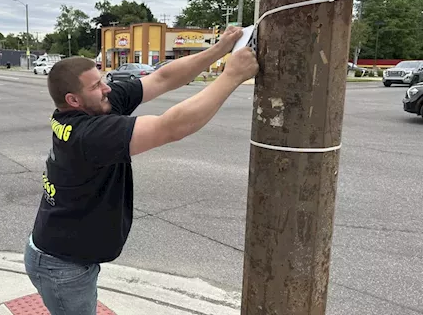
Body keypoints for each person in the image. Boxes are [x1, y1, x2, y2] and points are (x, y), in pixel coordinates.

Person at [24, 26, 259, 315]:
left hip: (60, 254)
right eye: (95, 86)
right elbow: (171, 127)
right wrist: (231, 76)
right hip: (62, 266)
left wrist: (218, 50)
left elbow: (162, 78)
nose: (106, 88)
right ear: (73, 100)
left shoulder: (99, 105)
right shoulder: (88, 134)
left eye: (102, 79)